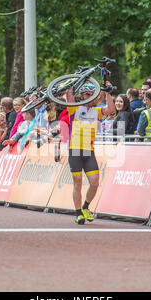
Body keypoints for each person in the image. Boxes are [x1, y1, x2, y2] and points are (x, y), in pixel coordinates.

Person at [65, 82, 115, 224]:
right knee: (78, 182)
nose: (89, 97)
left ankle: (86, 206)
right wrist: (73, 83)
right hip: (74, 150)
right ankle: (78, 213)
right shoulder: (75, 109)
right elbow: (69, 97)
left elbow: (111, 109)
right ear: (82, 96)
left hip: (89, 151)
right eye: (87, 94)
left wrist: (108, 92)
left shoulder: (97, 111)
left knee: (94, 183)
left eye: (92, 95)